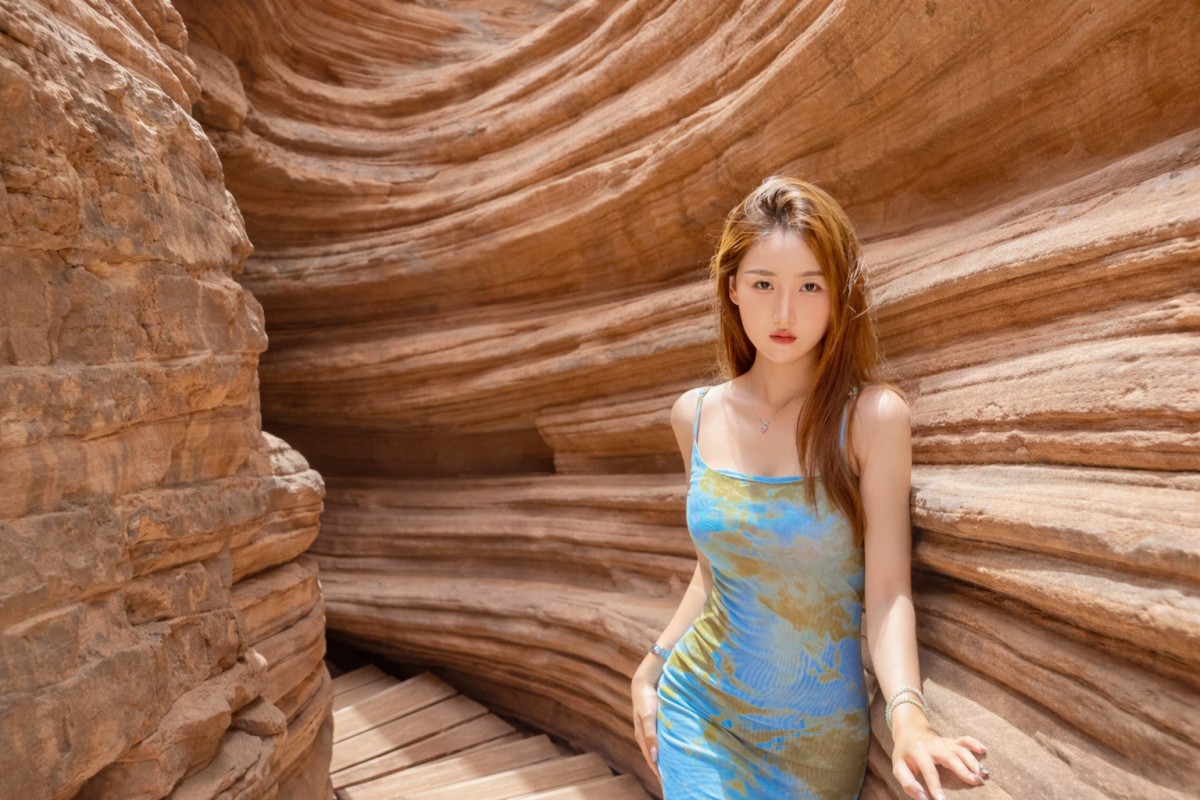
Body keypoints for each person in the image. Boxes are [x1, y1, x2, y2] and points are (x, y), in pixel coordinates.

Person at [629, 177, 990, 800]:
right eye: (764, 283)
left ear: (839, 295)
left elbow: (886, 592)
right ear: (733, 287)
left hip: (815, 745)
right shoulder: (695, 414)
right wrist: (652, 666)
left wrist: (907, 717)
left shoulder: (872, 419)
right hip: (701, 716)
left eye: (810, 286)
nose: (785, 312)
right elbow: (716, 571)